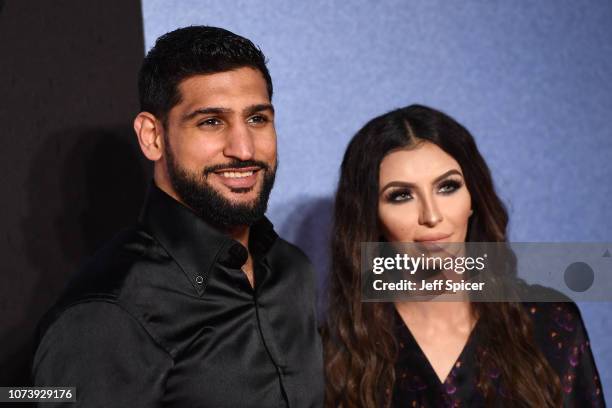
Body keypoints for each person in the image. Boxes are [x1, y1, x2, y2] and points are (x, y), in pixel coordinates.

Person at [32, 26, 323, 407]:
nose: (243, 148)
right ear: (152, 136)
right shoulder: (107, 313)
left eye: (257, 119)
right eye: (211, 122)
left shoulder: (293, 271)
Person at [323, 105, 605, 407]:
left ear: (473, 199)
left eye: (448, 187)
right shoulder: (336, 354)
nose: (431, 216)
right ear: (371, 216)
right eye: (401, 195)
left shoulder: (549, 322)